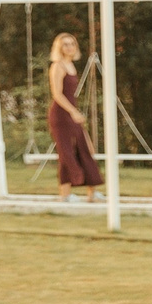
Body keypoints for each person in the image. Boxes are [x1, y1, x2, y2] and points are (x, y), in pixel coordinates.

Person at [47, 33, 103, 201]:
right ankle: (65, 194)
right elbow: (57, 94)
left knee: (86, 149)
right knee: (66, 153)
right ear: (59, 47)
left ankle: (92, 193)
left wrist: (74, 112)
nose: (69, 47)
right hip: (61, 115)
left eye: (72, 43)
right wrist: (73, 111)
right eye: (65, 44)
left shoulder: (71, 65)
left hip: (72, 113)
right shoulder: (58, 66)